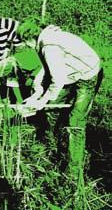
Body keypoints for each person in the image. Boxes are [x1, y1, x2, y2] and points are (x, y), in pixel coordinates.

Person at [17, 18, 104, 183]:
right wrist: (37, 94)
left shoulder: (49, 46)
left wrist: (41, 101)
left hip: (88, 75)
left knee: (76, 122)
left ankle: (73, 174)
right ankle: (53, 143)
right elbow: (48, 71)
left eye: (25, 43)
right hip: (71, 72)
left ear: (29, 38)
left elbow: (57, 79)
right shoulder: (45, 39)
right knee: (51, 106)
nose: (27, 47)